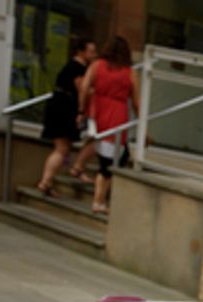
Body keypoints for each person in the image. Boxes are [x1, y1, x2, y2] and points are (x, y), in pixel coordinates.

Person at [79, 36, 139, 215]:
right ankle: (99, 201)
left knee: (110, 157)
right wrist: (141, 122)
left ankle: (100, 200)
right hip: (117, 115)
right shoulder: (129, 72)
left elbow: (84, 87)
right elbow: (136, 101)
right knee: (110, 164)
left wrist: (82, 110)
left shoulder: (97, 65)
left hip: (99, 112)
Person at [36, 37, 98, 196]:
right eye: (91, 51)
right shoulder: (78, 67)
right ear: (81, 52)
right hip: (64, 109)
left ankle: (47, 182)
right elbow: (82, 89)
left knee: (62, 147)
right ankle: (45, 181)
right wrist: (82, 109)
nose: (94, 55)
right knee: (62, 149)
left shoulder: (72, 65)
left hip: (58, 106)